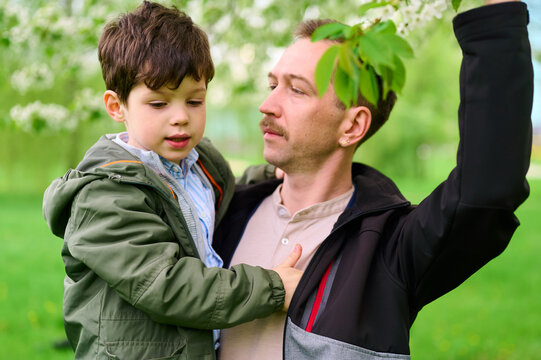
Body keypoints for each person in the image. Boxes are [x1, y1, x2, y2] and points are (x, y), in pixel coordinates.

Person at [213, 0, 533, 359]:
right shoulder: (221, 212)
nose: (267, 104)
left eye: (297, 89)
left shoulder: (389, 249)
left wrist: (496, 22)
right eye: (272, 84)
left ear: (352, 126)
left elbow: (488, 186)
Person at [42, 2, 303, 359]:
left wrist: (267, 176)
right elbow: (167, 285)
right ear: (117, 106)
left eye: (194, 101)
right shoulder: (104, 196)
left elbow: (223, 202)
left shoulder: (200, 163)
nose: (180, 118)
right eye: (159, 104)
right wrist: (272, 288)